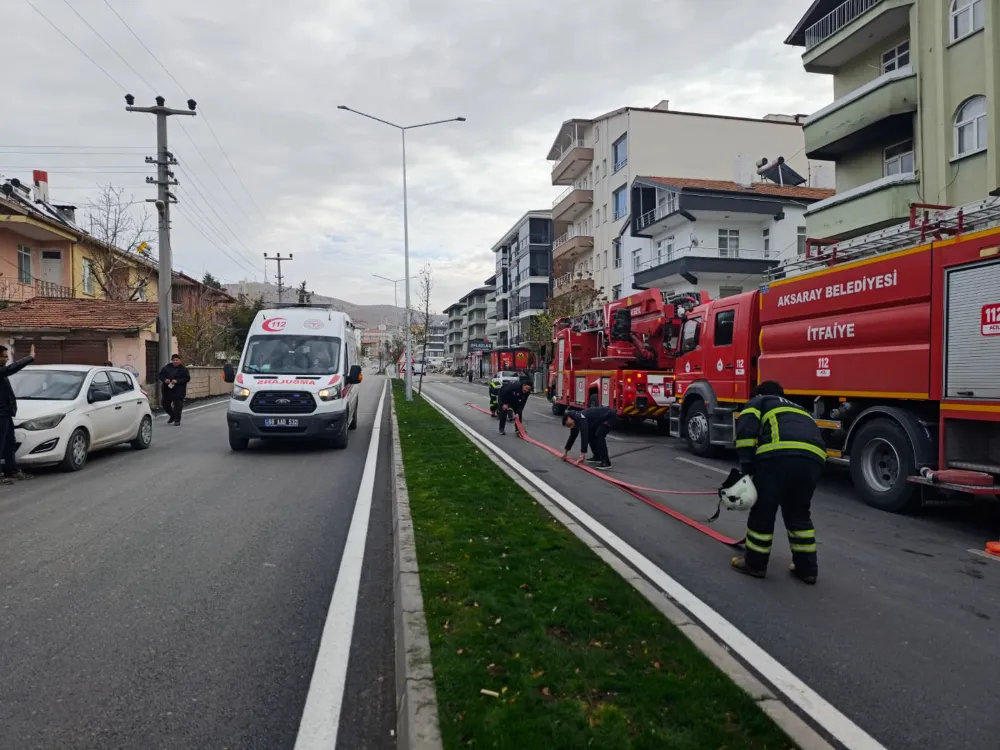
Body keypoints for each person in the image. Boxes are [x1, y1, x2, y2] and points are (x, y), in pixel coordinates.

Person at [730, 380, 827, 584]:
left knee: (763, 510)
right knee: (798, 513)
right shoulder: (799, 408)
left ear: (759, 394)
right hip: (813, 460)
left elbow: (746, 434)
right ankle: (807, 569)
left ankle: (754, 564)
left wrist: (747, 469)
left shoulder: (760, 402)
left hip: (778, 456)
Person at [0, 343, 35, 484]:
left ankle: (12, 470)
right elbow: (11, 369)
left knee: (9, 443)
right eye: (4, 357)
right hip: (0, 415)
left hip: (5, 414)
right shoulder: (2, 371)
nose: (7, 359)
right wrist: (30, 358)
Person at [561, 406, 615, 471]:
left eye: (569, 425)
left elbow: (584, 435)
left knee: (599, 435)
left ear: (569, 418)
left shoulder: (580, 418)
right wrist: (565, 452)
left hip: (609, 416)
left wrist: (582, 455)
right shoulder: (574, 421)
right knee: (590, 435)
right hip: (598, 420)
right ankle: (597, 456)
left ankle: (606, 462)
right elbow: (572, 437)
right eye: (569, 426)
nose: (570, 426)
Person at [158, 353, 191, 426]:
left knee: (178, 405)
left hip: (179, 390)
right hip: (167, 389)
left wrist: (177, 381)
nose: (175, 361)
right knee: (165, 404)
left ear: (180, 361)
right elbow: (160, 375)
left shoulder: (183, 369)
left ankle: (177, 420)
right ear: (172, 361)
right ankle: (172, 415)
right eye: (174, 360)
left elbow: (187, 378)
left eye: (177, 360)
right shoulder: (167, 367)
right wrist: (165, 379)